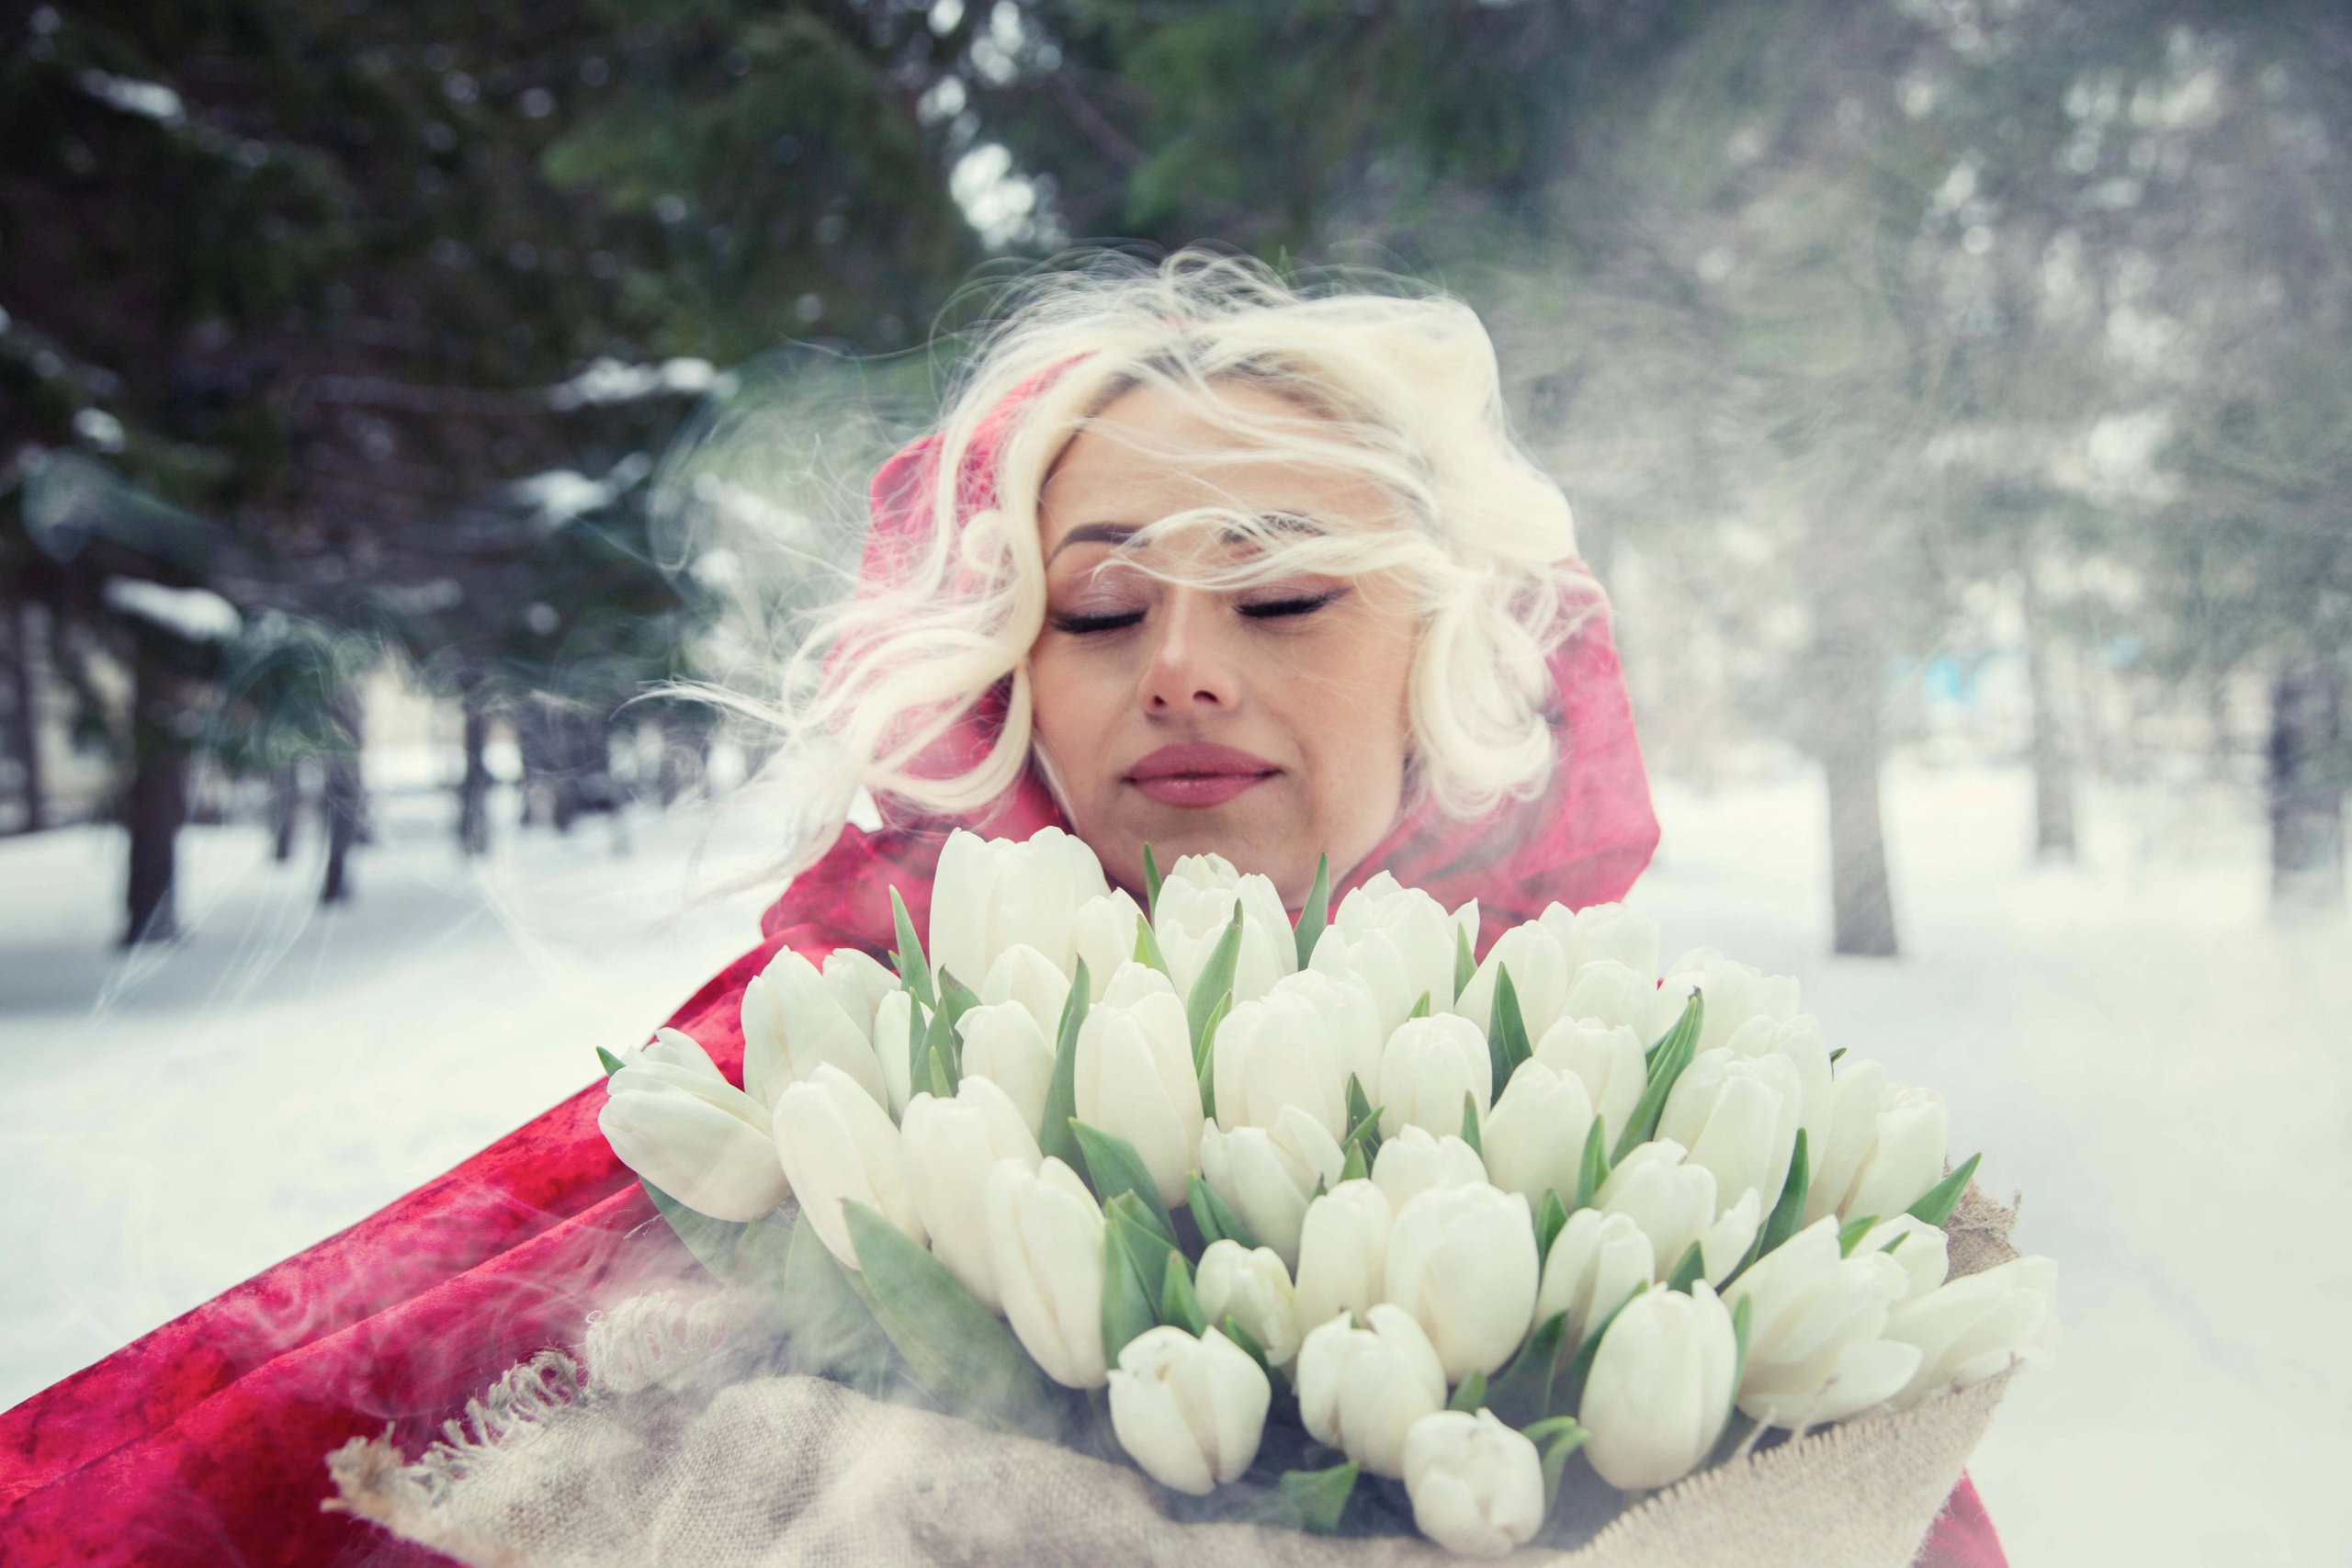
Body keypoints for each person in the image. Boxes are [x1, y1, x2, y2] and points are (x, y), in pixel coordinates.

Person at [0, 254, 2004, 1564]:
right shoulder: (809, 1069)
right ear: (1001, 671)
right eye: (1104, 607)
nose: (1185, 664)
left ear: (1454, 656)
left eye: (1283, 592)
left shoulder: (1657, 1128)